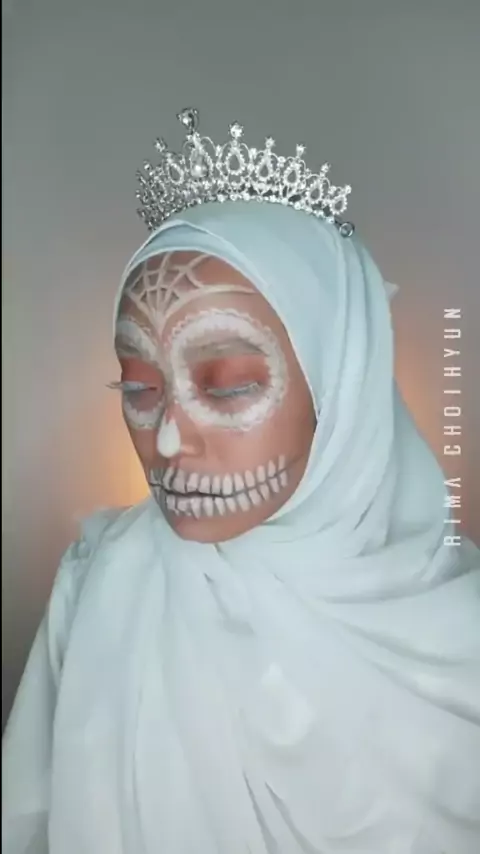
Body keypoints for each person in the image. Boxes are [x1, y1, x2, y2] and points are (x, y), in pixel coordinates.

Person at [3, 109, 480, 854]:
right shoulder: (97, 584)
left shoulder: (462, 632)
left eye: (227, 386)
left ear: (341, 386)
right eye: (138, 388)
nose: (166, 439)